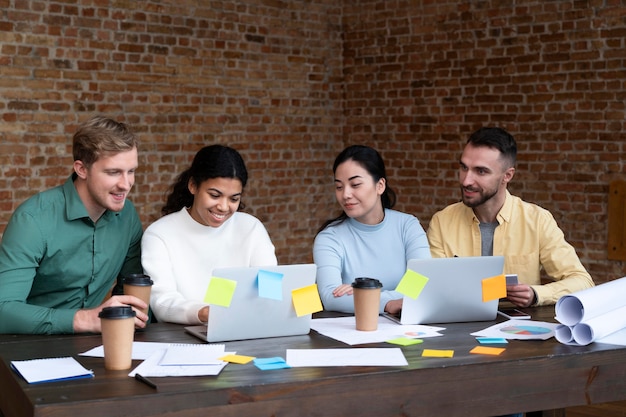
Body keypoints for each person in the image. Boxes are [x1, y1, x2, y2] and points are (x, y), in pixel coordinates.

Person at [0, 115, 148, 334]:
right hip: (27, 347)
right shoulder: (33, 220)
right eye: (113, 172)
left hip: (96, 346)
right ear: (81, 169)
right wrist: (85, 320)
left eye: (131, 171)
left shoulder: (127, 216)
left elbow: (131, 291)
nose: (126, 184)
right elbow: (4, 311)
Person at [427, 127, 595, 308]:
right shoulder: (441, 221)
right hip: (456, 324)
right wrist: (402, 298)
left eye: (481, 171)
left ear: (507, 176)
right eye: (463, 167)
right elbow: (425, 280)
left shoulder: (537, 221)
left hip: (516, 330)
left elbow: (583, 282)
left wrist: (536, 294)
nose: (466, 180)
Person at [141, 145, 277, 325]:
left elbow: (271, 289)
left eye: (234, 199)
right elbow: (162, 301)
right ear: (193, 186)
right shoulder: (160, 234)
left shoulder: (251, 228)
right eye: (214, 195)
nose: (223, 206)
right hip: (182, 337)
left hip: (245, 330)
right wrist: (203, 313)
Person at [313, 145, 431, 315]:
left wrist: (363, 295)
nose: (345, 194)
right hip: (353, 334)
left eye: (355, 184)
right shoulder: (329, 238)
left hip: (406, 330)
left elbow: (420, 283)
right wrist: (388, 303)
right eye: (339, 187)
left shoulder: (408, 226)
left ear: (380, 186)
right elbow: (330, 297)